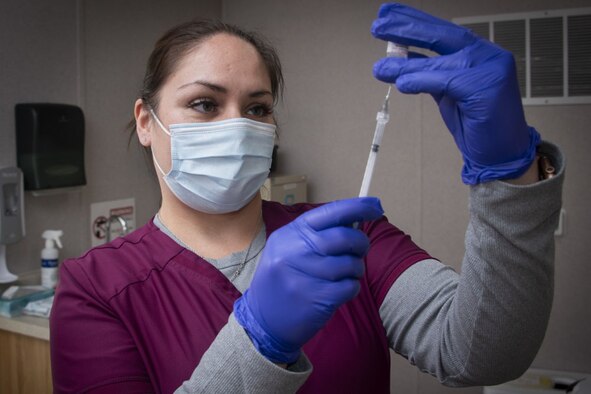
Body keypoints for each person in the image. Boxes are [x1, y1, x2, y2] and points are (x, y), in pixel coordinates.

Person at [50, 3, 564, 393]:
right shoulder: (94, 290)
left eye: (257, 108)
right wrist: (259, 338)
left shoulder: (347, 238)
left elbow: (482, 353)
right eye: (204, 104)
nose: (236, 126)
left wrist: (510, 176)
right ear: (146, 122)